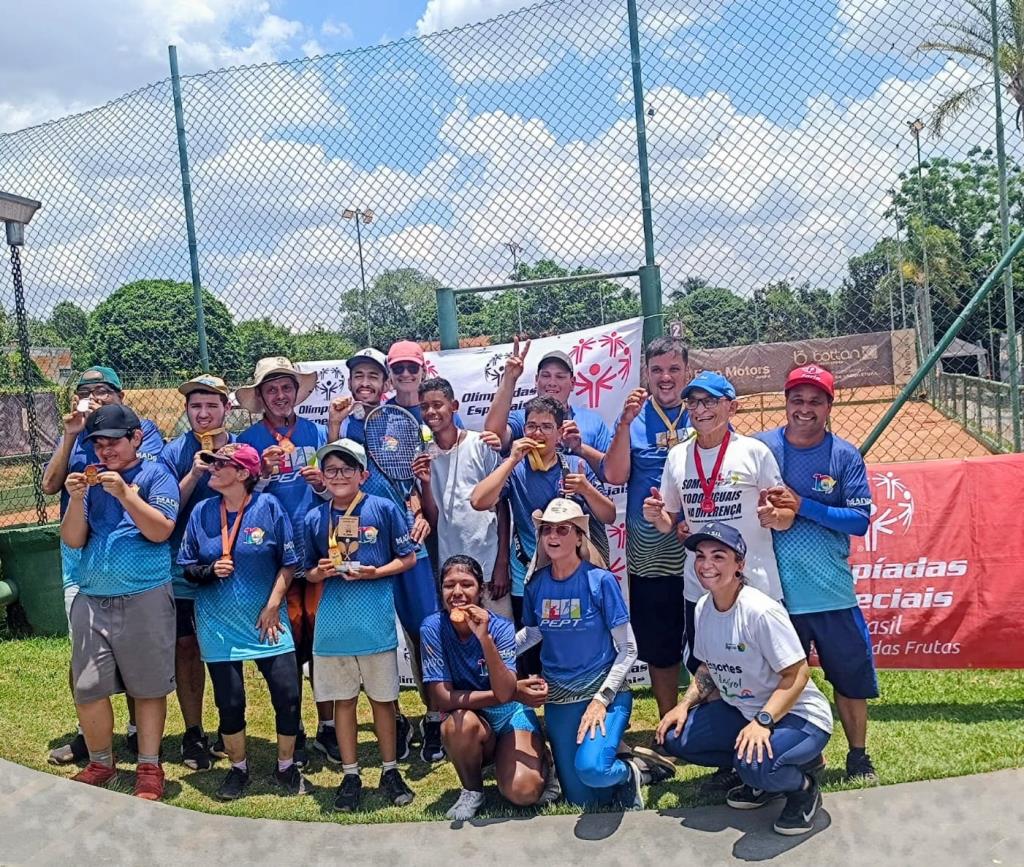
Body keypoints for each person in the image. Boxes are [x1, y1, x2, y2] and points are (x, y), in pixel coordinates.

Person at [656, 523, 832, 836]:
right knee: (675, 738)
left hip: (799, 717)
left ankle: (803, 787)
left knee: (754, 764)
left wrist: (763, 722)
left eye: (718, 556)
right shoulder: (702, 608)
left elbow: (798, 673)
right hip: (744, 712)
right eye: (701, 556)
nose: (707, 565)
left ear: (740, 564)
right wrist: (683, 705)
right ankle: (762, 779)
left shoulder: (760, 611)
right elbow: (708, 667)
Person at [755, 364, 878, 783]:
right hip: (776, 596)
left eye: (815, 401)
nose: (804, 408)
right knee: (779, 683)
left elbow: (859, 521)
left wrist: (801, 505)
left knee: (849, 679)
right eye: (797, 399)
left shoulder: (844, 455)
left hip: (830, 592)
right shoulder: (761, 448)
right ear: (785, 402)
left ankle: (858, 756)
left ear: (829, 405)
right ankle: (801, 754)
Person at [43, 366, 163, 765]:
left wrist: (121, 482)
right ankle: (91, 741)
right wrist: (72, 434)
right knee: (86, 661)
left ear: (120, 395)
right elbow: (49, 485)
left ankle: (137, 738)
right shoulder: (81, 439)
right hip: (83, 560)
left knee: (137, 660)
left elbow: (146, 477)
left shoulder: (141, 435)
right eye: (86, 390)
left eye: (103, 390)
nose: (95, 396)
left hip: (135, 565)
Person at [177, 443, 310, 800]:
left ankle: (286, 767)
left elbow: (289, 561)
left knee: (287, 694)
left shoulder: (269, 508)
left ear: (243, 474)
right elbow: (187, 567)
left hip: (267, 620)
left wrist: (272, 605)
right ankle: (238, 769)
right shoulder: (203, 511)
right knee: (230, 701)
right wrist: (209, 570)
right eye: (214, 463)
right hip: (218, 622)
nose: (214, 468)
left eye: (223, 464)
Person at [60, 405, 180, 801]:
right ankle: (100, 762)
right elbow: (74, 540)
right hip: (93, 596)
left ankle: (148, 766)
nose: (105, 449)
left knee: (147, 687)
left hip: (144, 594)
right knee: (88, 687)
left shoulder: (156, 474)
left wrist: (126, 493)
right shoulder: (88, 482)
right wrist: (76, 499)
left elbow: (161, 530)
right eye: (98, 443)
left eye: (114, 440)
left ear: (136, 438)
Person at [330, 347, 444, 763]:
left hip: (410, 542)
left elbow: (414, 479)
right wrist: (334, 425)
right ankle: (392, 718)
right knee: (377, 639)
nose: (365, 384)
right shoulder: (347, 426)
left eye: (373, 377)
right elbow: (334, 482)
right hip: (366, 545)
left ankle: (434, 719)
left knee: (424, 632)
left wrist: (418, 507)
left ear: (387, 383)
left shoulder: (407, 421)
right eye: (358, 376)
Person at [303, 438, 418, 812]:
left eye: (346, 469)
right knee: (344, 703)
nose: (338, 476)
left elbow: (408, 558)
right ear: (321, 475)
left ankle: (389, 770)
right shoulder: (314, 518)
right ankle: (351, 774)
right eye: (331, 469)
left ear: (362, 475)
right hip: (333, 630)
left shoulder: (383, 509)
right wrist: (317, 573)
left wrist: (375, 573)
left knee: (384, 702)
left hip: (375, 626)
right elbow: (305, 571)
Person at [515, 499, 647, 809]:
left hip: (602, 693)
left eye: (563, 529)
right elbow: (534, 633)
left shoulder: (600, 581)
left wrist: (602, 699)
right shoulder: (536, 585)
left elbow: (628, 648)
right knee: (581, 799)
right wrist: (493, 649)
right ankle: (625, 759)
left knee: (593, 770)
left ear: (579, 536)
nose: (553, 536)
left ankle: (628, 773)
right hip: (560, 697)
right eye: (547, 529)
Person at [471, 396, 616, 675]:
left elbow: (609, 515)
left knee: (568, 645)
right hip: (527, 575)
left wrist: (587, 489)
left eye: (546, 427)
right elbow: (478, 500)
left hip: (571, 577)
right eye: (531, 426)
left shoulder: (574, 465)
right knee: (528, 656)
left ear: (560, 433)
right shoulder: (514, 468)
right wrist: (511, 459)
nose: (537, 433)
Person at [237, 356, 331, 765]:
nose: (280, 395)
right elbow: (239, 494)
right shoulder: (249, 439)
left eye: (287, 388)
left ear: (297, 392)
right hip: (275, 555)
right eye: (271, 389)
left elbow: (337, 487)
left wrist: (322, 484)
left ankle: (328, 726)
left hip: (318, 548)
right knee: (286, 646)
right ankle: (294, 729)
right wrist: (262, 476)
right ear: (260, 396)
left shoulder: (316, 432)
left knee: (323, 641)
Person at [600, 336, 692, 723]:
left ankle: (718, 719)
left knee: (715, 637)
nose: (666, 377)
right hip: (650, 556)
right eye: (657, 370)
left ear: (688, 371)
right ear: (646, 375)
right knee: (660, 645)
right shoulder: (633, 420)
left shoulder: (703, 411)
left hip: (703, 550)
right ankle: (668, 721)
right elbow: (615, 475)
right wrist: (623, 422)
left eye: (674, 369)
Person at [420, 555, 547, 820]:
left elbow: (504, 695)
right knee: (458, 723)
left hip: (509, 716)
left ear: (481, 591)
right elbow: (442, 698)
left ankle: (544, 759)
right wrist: (515, 692)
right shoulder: (432, 627)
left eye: (466, 584)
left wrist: (484, 638)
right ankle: (472, 790)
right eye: (448, 585)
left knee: (524, 792)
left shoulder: (499, 628)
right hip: (473, 720)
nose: (457, 593)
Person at [158, 374, 236, 770]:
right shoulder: (174, 452)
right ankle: (193, 732)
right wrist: (194, 473)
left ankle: (231, 725)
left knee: (228, 649)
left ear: (226, 408)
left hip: (232, 568)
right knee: (186, 647)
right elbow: (164, 513)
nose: (203, 414)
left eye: (211, 406)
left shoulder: (241, 450)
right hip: (184, 568)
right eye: (195, 406)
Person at [413, 377, 512, 619]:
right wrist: (425, 483)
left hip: (489, 567)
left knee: (499, 642)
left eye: (438, 404)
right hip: (453, 573)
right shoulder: (423, 455)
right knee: (462, 642)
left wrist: (502, 564)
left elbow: (502, 507)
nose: (431, 412)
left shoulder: (480, 444)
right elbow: (434, 521)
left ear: (454, 406)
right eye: (424, 407)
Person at [483, 337, 610, 474]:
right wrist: (509, 378)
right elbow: (494, 434)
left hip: (580, 494)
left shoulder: (593, 422)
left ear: (573, 383)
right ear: (536, 380)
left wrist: (580, 449)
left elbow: (613, 474)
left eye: (560, 377)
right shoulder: (523, 418)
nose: (552, 382)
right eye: (546, 375)